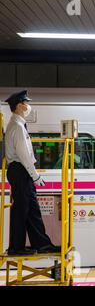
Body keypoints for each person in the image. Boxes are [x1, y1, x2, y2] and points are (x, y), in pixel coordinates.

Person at [4, 90, 59, 255]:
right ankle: (16, 247)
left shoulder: (18, 125)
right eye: (26, 103)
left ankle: (41, 244)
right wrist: (36, 176)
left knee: (31, 209)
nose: (28, 106)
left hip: (21, 171)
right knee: (21, 211)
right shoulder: (17, 127)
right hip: (20, 170)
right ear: (20, 105)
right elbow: (25, 155)